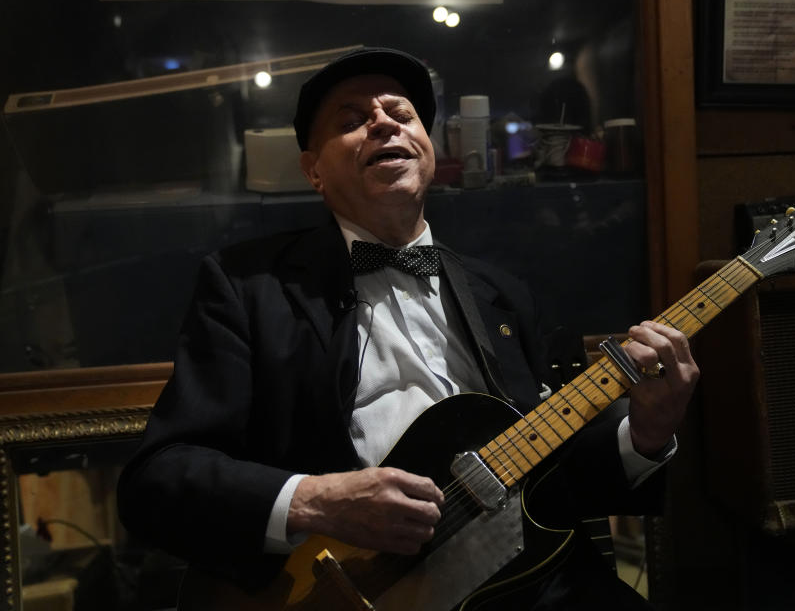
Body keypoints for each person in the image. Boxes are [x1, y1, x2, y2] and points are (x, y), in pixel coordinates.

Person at [117, 47, 699, 610]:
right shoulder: (247, 287)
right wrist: (316, 501)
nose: (382, 124)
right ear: (313, 170)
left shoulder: (506, 297)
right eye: (351, 120)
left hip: (537, 587)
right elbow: (157, 481)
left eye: (401, 114)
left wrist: (643, 434)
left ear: (428, 147)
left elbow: (558, 483)